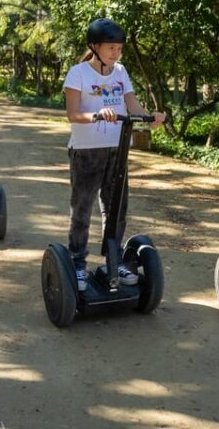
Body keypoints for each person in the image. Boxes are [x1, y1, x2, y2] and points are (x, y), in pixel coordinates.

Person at [63, 18, 166, 291]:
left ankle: (113, 259)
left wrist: (149, 117)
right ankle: (77, 264)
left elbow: (132, 104)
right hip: (86, 151)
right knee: (82, 211)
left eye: (119, 48)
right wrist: (97, 114)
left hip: (117, 149)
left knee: (117, 208)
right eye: (111, 48)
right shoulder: (78, 73)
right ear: (94, 46)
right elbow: (72, 113)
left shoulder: (120, 71)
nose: (116, 53)